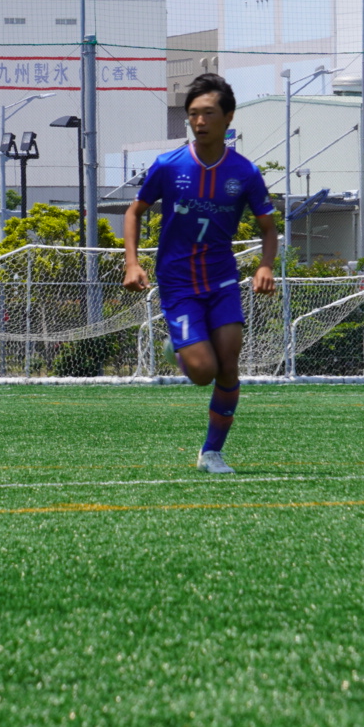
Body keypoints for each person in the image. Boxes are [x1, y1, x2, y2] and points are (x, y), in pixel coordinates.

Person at [123, 73, 280, 474]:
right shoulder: (167, 165)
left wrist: (265, 266)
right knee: (203, 372)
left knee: (228, 363)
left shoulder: (245, 172)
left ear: (228, 117)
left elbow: (268, 228)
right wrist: (132, 262)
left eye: (208, 113)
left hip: (222, 280)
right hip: (178, 283)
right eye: (193, 114)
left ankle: (212, 453)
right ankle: (178, 349)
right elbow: (134, 212)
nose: (199, 121)